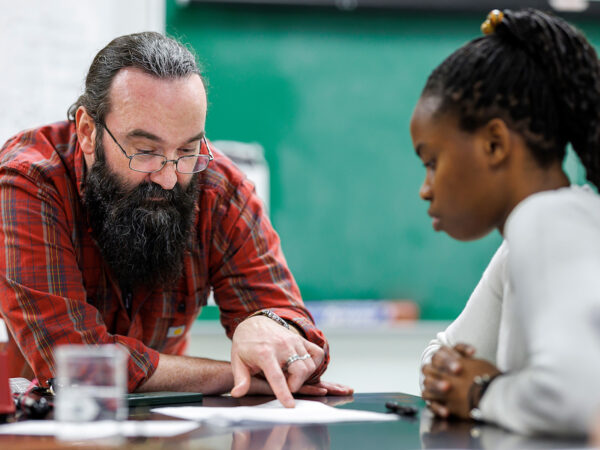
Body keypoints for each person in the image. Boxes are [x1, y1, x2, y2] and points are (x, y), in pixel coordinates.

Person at [0, 31, 352, 407]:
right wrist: (233, 373)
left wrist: (267, 325)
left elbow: (304, 349)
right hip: (44, 426)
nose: (168, 178)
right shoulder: (29, 182)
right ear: (89, 132)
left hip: (164, 425)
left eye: (187, 150)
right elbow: (73, 361)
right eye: (146, 151)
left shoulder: (219, 189)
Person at [413, 8, 600, 436]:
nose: (425, 189)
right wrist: (450, 374)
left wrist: (481, 391)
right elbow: (442, 353)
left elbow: (578, 397)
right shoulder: (532, 233)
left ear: (495, 144)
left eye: (432, 162)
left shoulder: (547, 219)